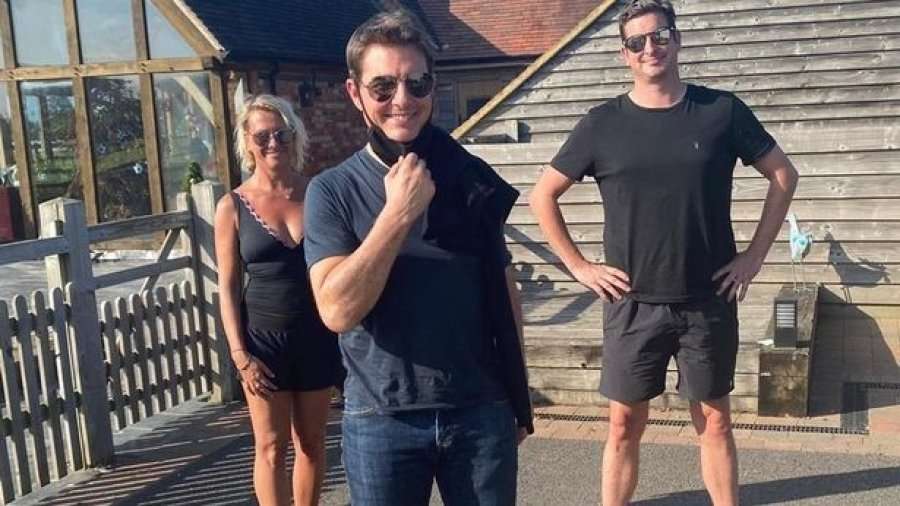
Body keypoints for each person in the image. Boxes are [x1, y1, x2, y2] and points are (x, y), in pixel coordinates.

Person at [528, 1, 799, 505]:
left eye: (659, 36)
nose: (649, 48)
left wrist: (755, 256)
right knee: (624, 423)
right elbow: (542, 195)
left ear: (676, 40)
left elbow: (783, 175)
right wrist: (580, 266)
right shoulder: (602, 124)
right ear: (624, 54)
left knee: (715, 421)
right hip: (632, 302)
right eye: (636, 42)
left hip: (707, 299)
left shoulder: (721, 112)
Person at [302, 10, 533, 506]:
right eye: (383, 87)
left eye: (416, 83)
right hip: (381, 418)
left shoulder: (469, 177)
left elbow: (502, 288)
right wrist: (397, 215)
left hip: (479, 408)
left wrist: (517, 393)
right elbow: (337, 310)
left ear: (433, 86)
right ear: (355, 93)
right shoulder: (332, 191)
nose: (402, 100)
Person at [214, 94, 341, 506]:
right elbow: (228, 287)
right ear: (247, 142)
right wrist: (240, 356)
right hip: (263, 344)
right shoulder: (232, 206)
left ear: (294, 137)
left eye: (282, 134)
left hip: (317, 336)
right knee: (271, 447)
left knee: (312, 442)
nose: (273, 143)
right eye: (263, 136)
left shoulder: (319, 193)